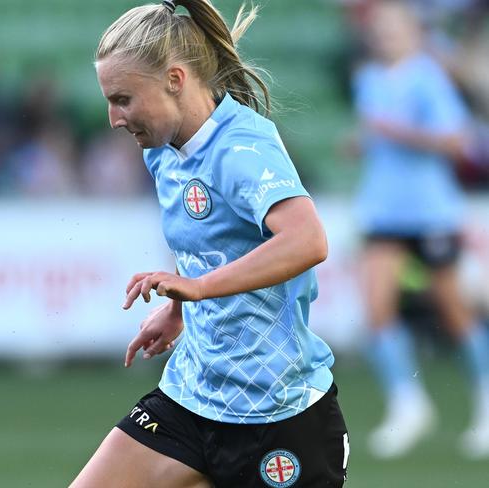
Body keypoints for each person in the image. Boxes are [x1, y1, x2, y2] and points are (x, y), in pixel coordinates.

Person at [71, 1, 349, 487]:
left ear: (175, 80)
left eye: (123, 99)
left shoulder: (241, 149)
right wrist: (180, 311)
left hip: (277, 411)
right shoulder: (162, 151)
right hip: (192, 396)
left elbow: (307, 240)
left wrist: (198, 287)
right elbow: (213, 243)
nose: (115, 118)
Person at [351, 0, 489, 459]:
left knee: (452, 310)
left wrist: (396, 133)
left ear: (413, 33)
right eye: (381, 29)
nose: (386, 37)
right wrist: (362, 143)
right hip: (382, 212)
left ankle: (485, 401)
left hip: (430, 212)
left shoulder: (429, 77)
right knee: (375, 309)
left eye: (395, 29)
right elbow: (376, 134)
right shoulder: (368, 79)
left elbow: (458, 141)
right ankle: (407, 405)